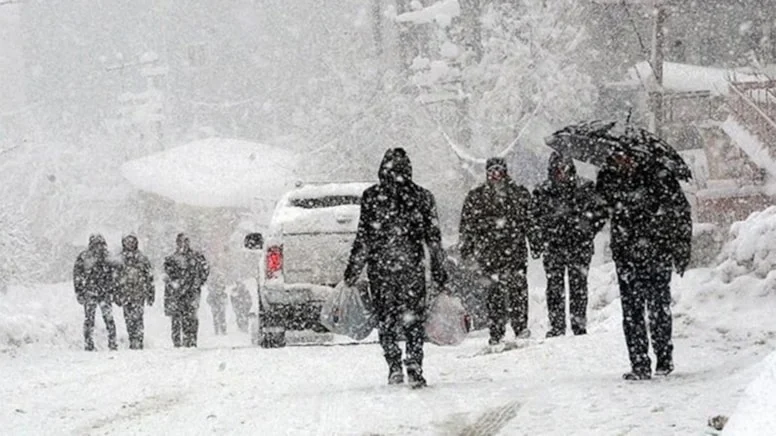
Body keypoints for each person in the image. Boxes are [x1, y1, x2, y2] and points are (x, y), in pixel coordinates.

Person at [344, 148, 448, 388]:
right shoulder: (422, 197)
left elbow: (364, 238)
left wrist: (353, 269)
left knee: (386, 319)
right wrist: (439, 271)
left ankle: (393, 365)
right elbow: (433, 239)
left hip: (381, 269)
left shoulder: (372, 197)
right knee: (414, 320)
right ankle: (414, 363)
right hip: (411, 268)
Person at [596, 151, 692, 380]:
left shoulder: (659, 176)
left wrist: (680, 249)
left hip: (656, 252)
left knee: (658, 308)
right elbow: (598, 211)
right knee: (632, 312)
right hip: (627, 255)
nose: (623, 161)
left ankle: (664, 358)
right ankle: (639, 363)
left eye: (626, 157)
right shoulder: (609, 178)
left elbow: (680, 212)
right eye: (618, 157)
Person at [459, 157, 534, 346]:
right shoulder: (476, 196)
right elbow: (467, 226)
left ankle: (520, 326)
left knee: (518, 290)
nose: (495, 174)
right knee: (494, 294)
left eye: (499, 170)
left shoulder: (519, 194)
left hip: (515, 250)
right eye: (492, 170)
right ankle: (496, 331)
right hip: (489, 252)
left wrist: (535, 242)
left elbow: (531, 221)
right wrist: (467, 249)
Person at [531, 152, 606, 338]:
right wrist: (543, 236)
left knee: (578, 286)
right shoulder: (542, 191)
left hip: (579, 246)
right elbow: (533, 218)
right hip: (554, 246)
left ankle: (578, 324)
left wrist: (588, 231)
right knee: (555, 287)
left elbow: (600, 213)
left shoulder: (586, 188)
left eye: (564, 168)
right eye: (557, 168)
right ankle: (557, 326)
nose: (561, 172)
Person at [163, 233, 210, 348]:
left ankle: (191, 340)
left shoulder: (196, 257)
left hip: (191, 291)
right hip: (177, 292)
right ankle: (177, 341)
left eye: (186, 241)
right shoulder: (171, 259)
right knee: (176, 317)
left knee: (191, 317)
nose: (183, 244)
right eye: (181, 242)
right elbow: (167, 275)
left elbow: (205, 268)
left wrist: (199, 281)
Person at [73, 234, 117, 351]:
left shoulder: (107, 257)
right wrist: (79, 292)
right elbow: (77, 275)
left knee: (107, 319)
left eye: (100, 244)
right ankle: (89, 343)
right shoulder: (85, 257)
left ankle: (112, 343)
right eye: (96, 244)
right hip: (91, 292)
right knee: (90, 319)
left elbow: (115, 275)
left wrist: (113, 289)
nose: (98, 247)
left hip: (102, 292)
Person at [114, 234, 155, 349]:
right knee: (128, 319)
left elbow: (149, 277)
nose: (130, 244)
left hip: (139, 294)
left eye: (132, 242)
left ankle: (139, 340)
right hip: (125, 294)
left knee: (138, 318)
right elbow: (115, 278)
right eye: (127, 242)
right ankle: (132, 339)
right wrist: (116, 293)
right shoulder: (119, 259)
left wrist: (151, 294)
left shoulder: (142, 258)